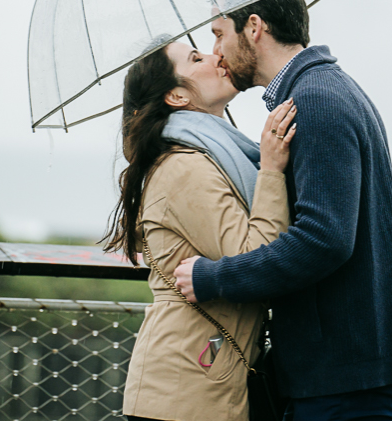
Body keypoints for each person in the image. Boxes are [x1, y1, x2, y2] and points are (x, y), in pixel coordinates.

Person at [172, 0, 392, 421]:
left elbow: (324, 238)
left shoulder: (317, 99)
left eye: (218, 34)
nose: (215, 52)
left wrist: (214, 277)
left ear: (253, 27)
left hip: (345, 372)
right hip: (348, 364)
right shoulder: (318, 89)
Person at [104, 37, 297, 421]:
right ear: (176, 96)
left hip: (200, 380)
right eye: (196, 58)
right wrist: (272, 171)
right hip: (183, 390)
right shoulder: (184, 167)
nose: (215, 56)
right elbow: (254, 257)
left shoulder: (214, 154)